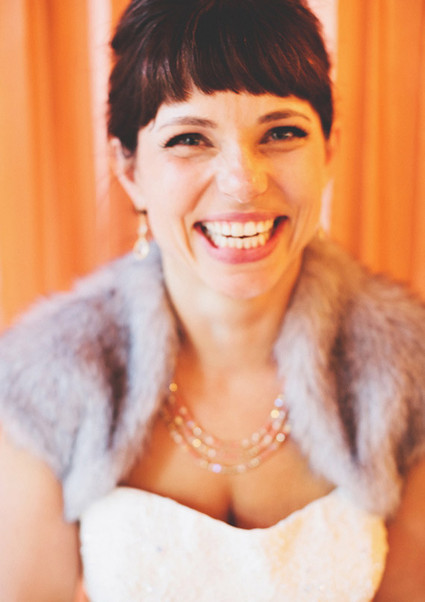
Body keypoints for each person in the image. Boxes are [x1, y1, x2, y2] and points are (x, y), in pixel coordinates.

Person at [1, 0, 425, 600]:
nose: (243, 182)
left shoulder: (412, 374)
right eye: (190, 139)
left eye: (281, 133)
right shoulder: (44, 380)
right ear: (129, 170)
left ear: (328, 150)